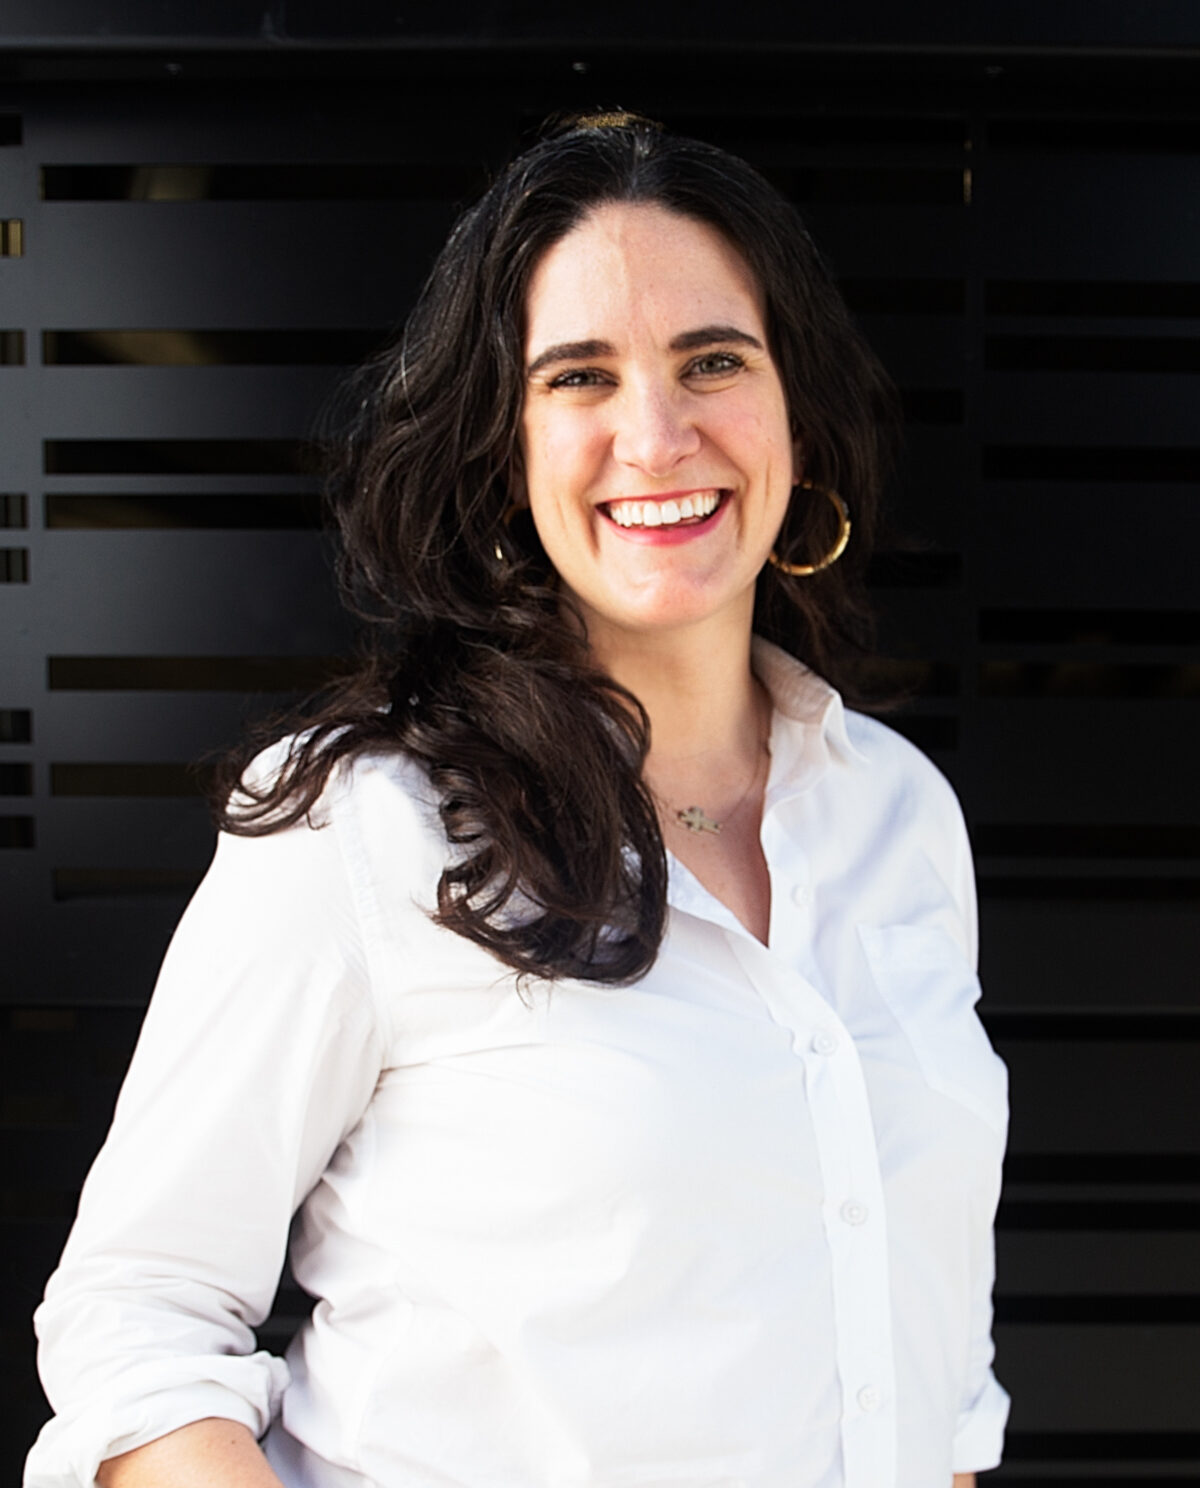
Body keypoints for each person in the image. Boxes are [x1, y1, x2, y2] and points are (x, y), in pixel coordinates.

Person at [26, 113, 1009, 1488]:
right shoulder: (370, 820)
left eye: (712, 361)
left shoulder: (902, 815)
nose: (656, 436)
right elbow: (135, 1322)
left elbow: (927, 1381)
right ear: (504, 445)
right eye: (579, 378)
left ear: (798, 409)